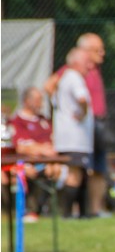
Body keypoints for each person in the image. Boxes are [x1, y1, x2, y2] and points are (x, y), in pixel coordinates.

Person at [44, 33, 111, 218]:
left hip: (94, 124)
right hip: (81, 128)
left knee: (97, 167)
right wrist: (62, 109)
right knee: (78, 170)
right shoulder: (72, 69)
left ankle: (94, 210)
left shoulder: (91, 69)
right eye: (98, 49)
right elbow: (49, 86)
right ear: (85, 51)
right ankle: (70, 212)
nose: (102, 53)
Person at [10, 87, 70, 220]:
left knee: (55, 169)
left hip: (44, 161)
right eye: (37, 100)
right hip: (24, 162)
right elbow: (21, 147)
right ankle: (28, 210)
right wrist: (41, 149)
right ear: (27, 101)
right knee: (27, 171)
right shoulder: (17, 121)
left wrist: (43, 149)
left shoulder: (43, 120)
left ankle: (41, 209)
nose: (41, 104)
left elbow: (51, 142)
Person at [52, 47, 94, 218]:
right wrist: (83, 113)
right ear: (76, 62)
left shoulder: (66, 78)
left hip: (72, 138)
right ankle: (67, 214)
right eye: (87, 62)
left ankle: (82, 214)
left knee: (80, 174)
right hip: (74, 138)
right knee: (74, 175)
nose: (90, 66)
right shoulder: (74, 77)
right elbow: (82, 99)